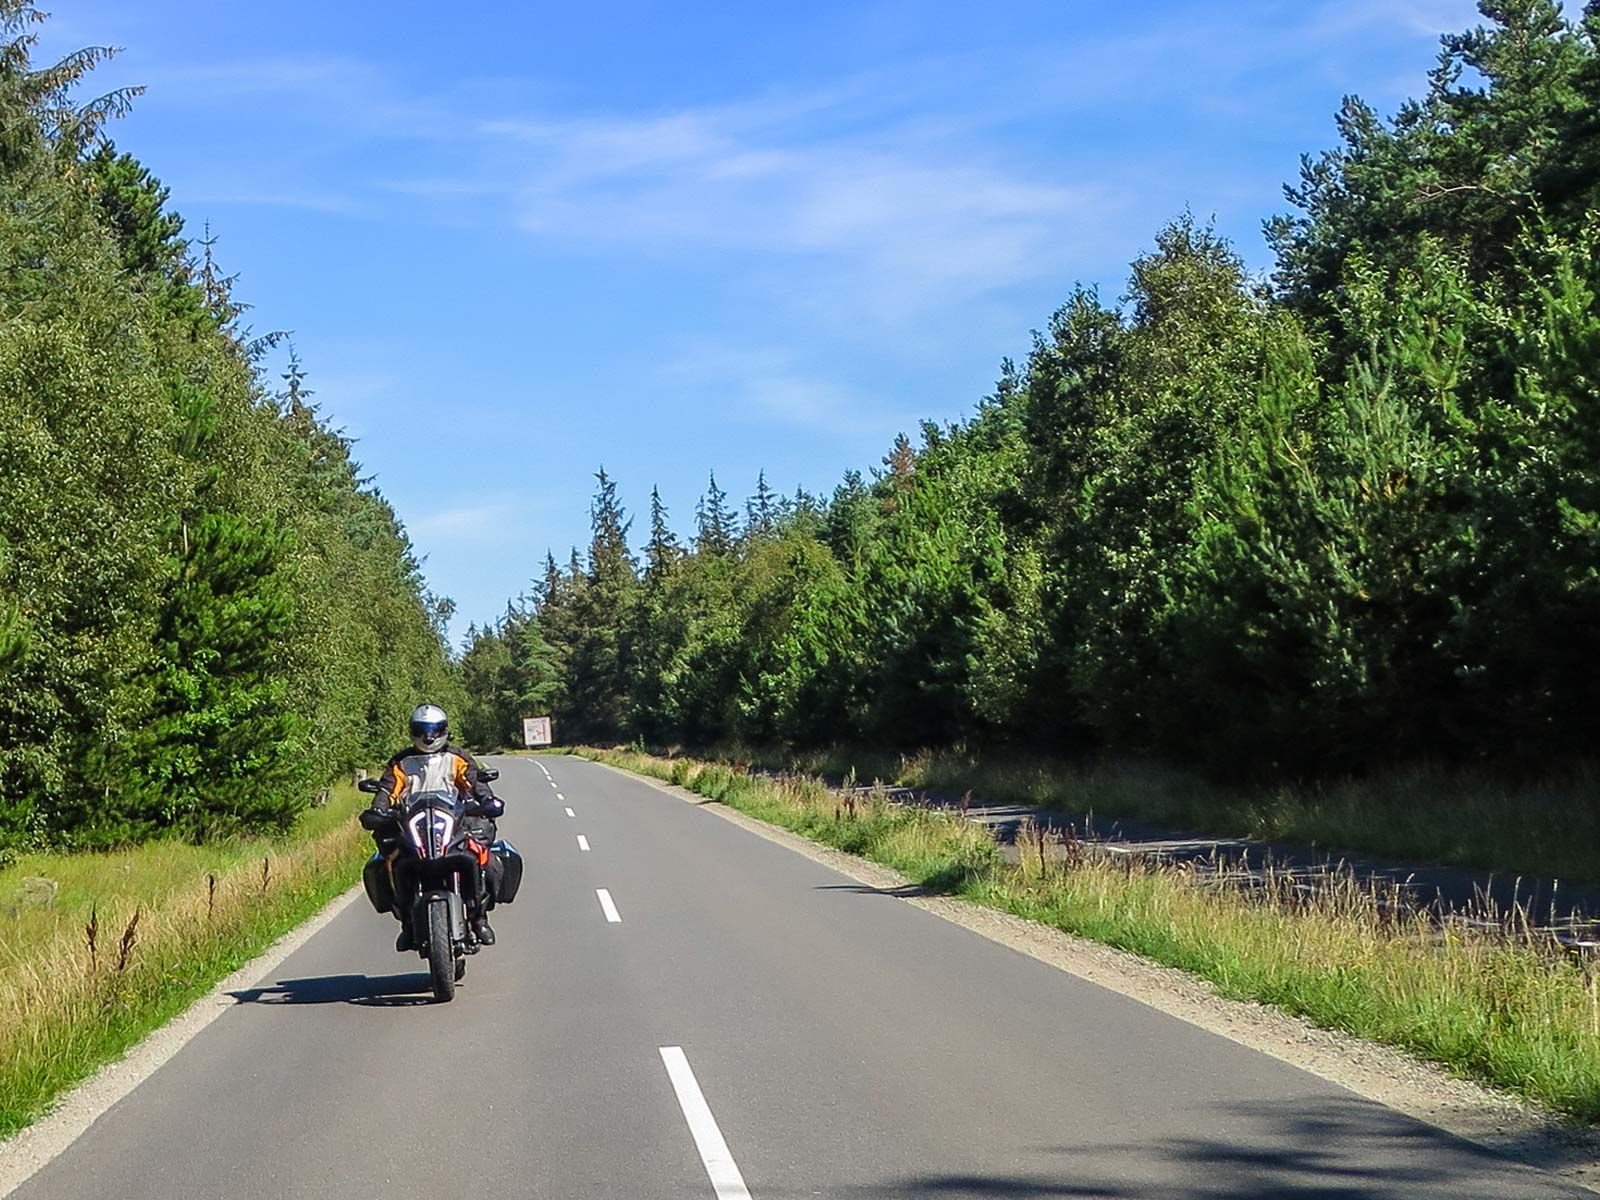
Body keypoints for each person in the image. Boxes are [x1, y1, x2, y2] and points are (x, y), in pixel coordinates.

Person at [368, 704, 503, 951]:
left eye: (434, 730)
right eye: (422, 730)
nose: (428, 737)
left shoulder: (458, 758)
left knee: (475, 857)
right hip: (413, 826)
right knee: (395, 862)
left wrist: (486, 799)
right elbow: (387, 789)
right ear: (413, 732)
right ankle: (407, 924)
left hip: (453, 822)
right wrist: (377, 809)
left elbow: (473, 782)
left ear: (444, 731)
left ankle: (478, 918)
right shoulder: (401, 762)